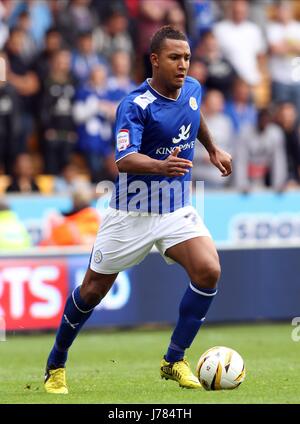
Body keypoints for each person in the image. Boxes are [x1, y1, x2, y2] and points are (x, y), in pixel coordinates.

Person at [44, 25, 232, 394]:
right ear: (155, 60)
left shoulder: (192, 89)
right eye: (175, 58)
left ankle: (174, 359)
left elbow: (194, 117)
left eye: (188, 58)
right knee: (92, 291)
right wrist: (162, 167)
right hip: (131, 213)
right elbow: (124, 159)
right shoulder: (134, 105)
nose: (183, 65)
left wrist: (212, 148)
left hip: (175, 208)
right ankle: (56, 364)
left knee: (209, 270)